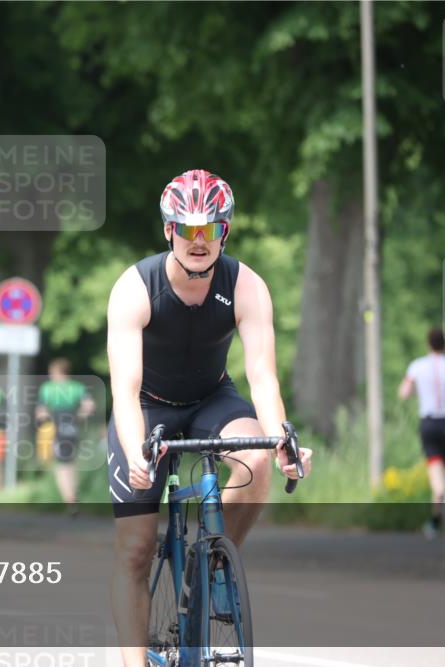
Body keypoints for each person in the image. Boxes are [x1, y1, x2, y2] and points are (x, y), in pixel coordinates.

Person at [105, 169, 312, 664]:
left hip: (211, 398)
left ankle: (216, 567)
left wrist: (281, 438)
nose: (199, 241)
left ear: (226, 230)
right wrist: (136, 450)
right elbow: (125, 388)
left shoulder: (247, 285)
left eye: (210, 228)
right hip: (147, 406)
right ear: (168, 230)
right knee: (135, 550)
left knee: (256, 462)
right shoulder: (135, 287)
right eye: (187, 229)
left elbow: (263, 377)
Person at [398, 327, 445, 538]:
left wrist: (417, 388)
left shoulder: (417, 366)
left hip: (428, 422)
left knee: (436, 473)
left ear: (428, 344)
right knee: (440, 471)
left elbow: (404, 393)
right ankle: (436, 521)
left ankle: (442, 506)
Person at [36, 358, 95, 510]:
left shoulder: (48, 388)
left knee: (61, 465)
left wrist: (45, 420)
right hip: (72, 427)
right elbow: (89, 406)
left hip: (56, 428)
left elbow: (41, 412)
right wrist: (79, 417)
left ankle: (69, 499)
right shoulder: (77, 387)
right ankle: (73, 495)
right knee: (71, 462)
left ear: (56, 372)